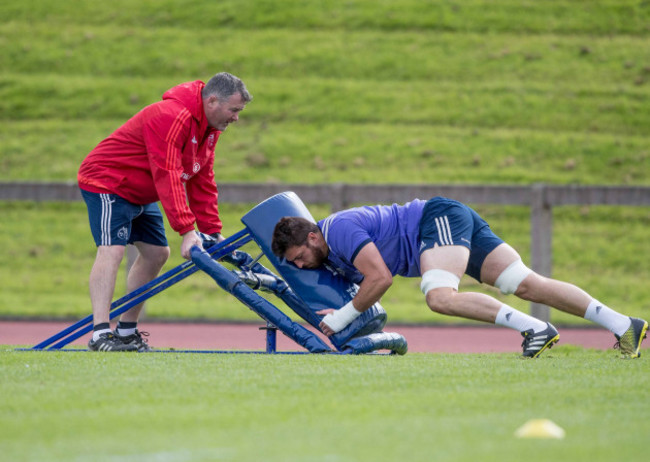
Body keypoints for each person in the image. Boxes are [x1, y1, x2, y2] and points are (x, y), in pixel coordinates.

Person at [271, 196, 648, 358]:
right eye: (296, 264)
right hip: (442, 226)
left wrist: (340, 318)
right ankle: (624, 324)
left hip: (436, 222)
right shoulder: (327, 251)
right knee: (526, 283)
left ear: (312, 236)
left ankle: (536, 329)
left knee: (439, 297)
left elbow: (380, 279)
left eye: (301, 256)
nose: (303, 265)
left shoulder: (336, 229)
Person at [78, 72, 252, 352]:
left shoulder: (209, 129)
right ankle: (100, 333)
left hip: (142, 189)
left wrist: (211, 231)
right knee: (112, 249)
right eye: (234, 110)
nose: (236, 118)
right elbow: (168, 172)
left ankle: (126, 332)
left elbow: (202, 178)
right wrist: (186, 230)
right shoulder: (172, 116)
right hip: (108, 181)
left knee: (157, 253)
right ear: (212, 101)